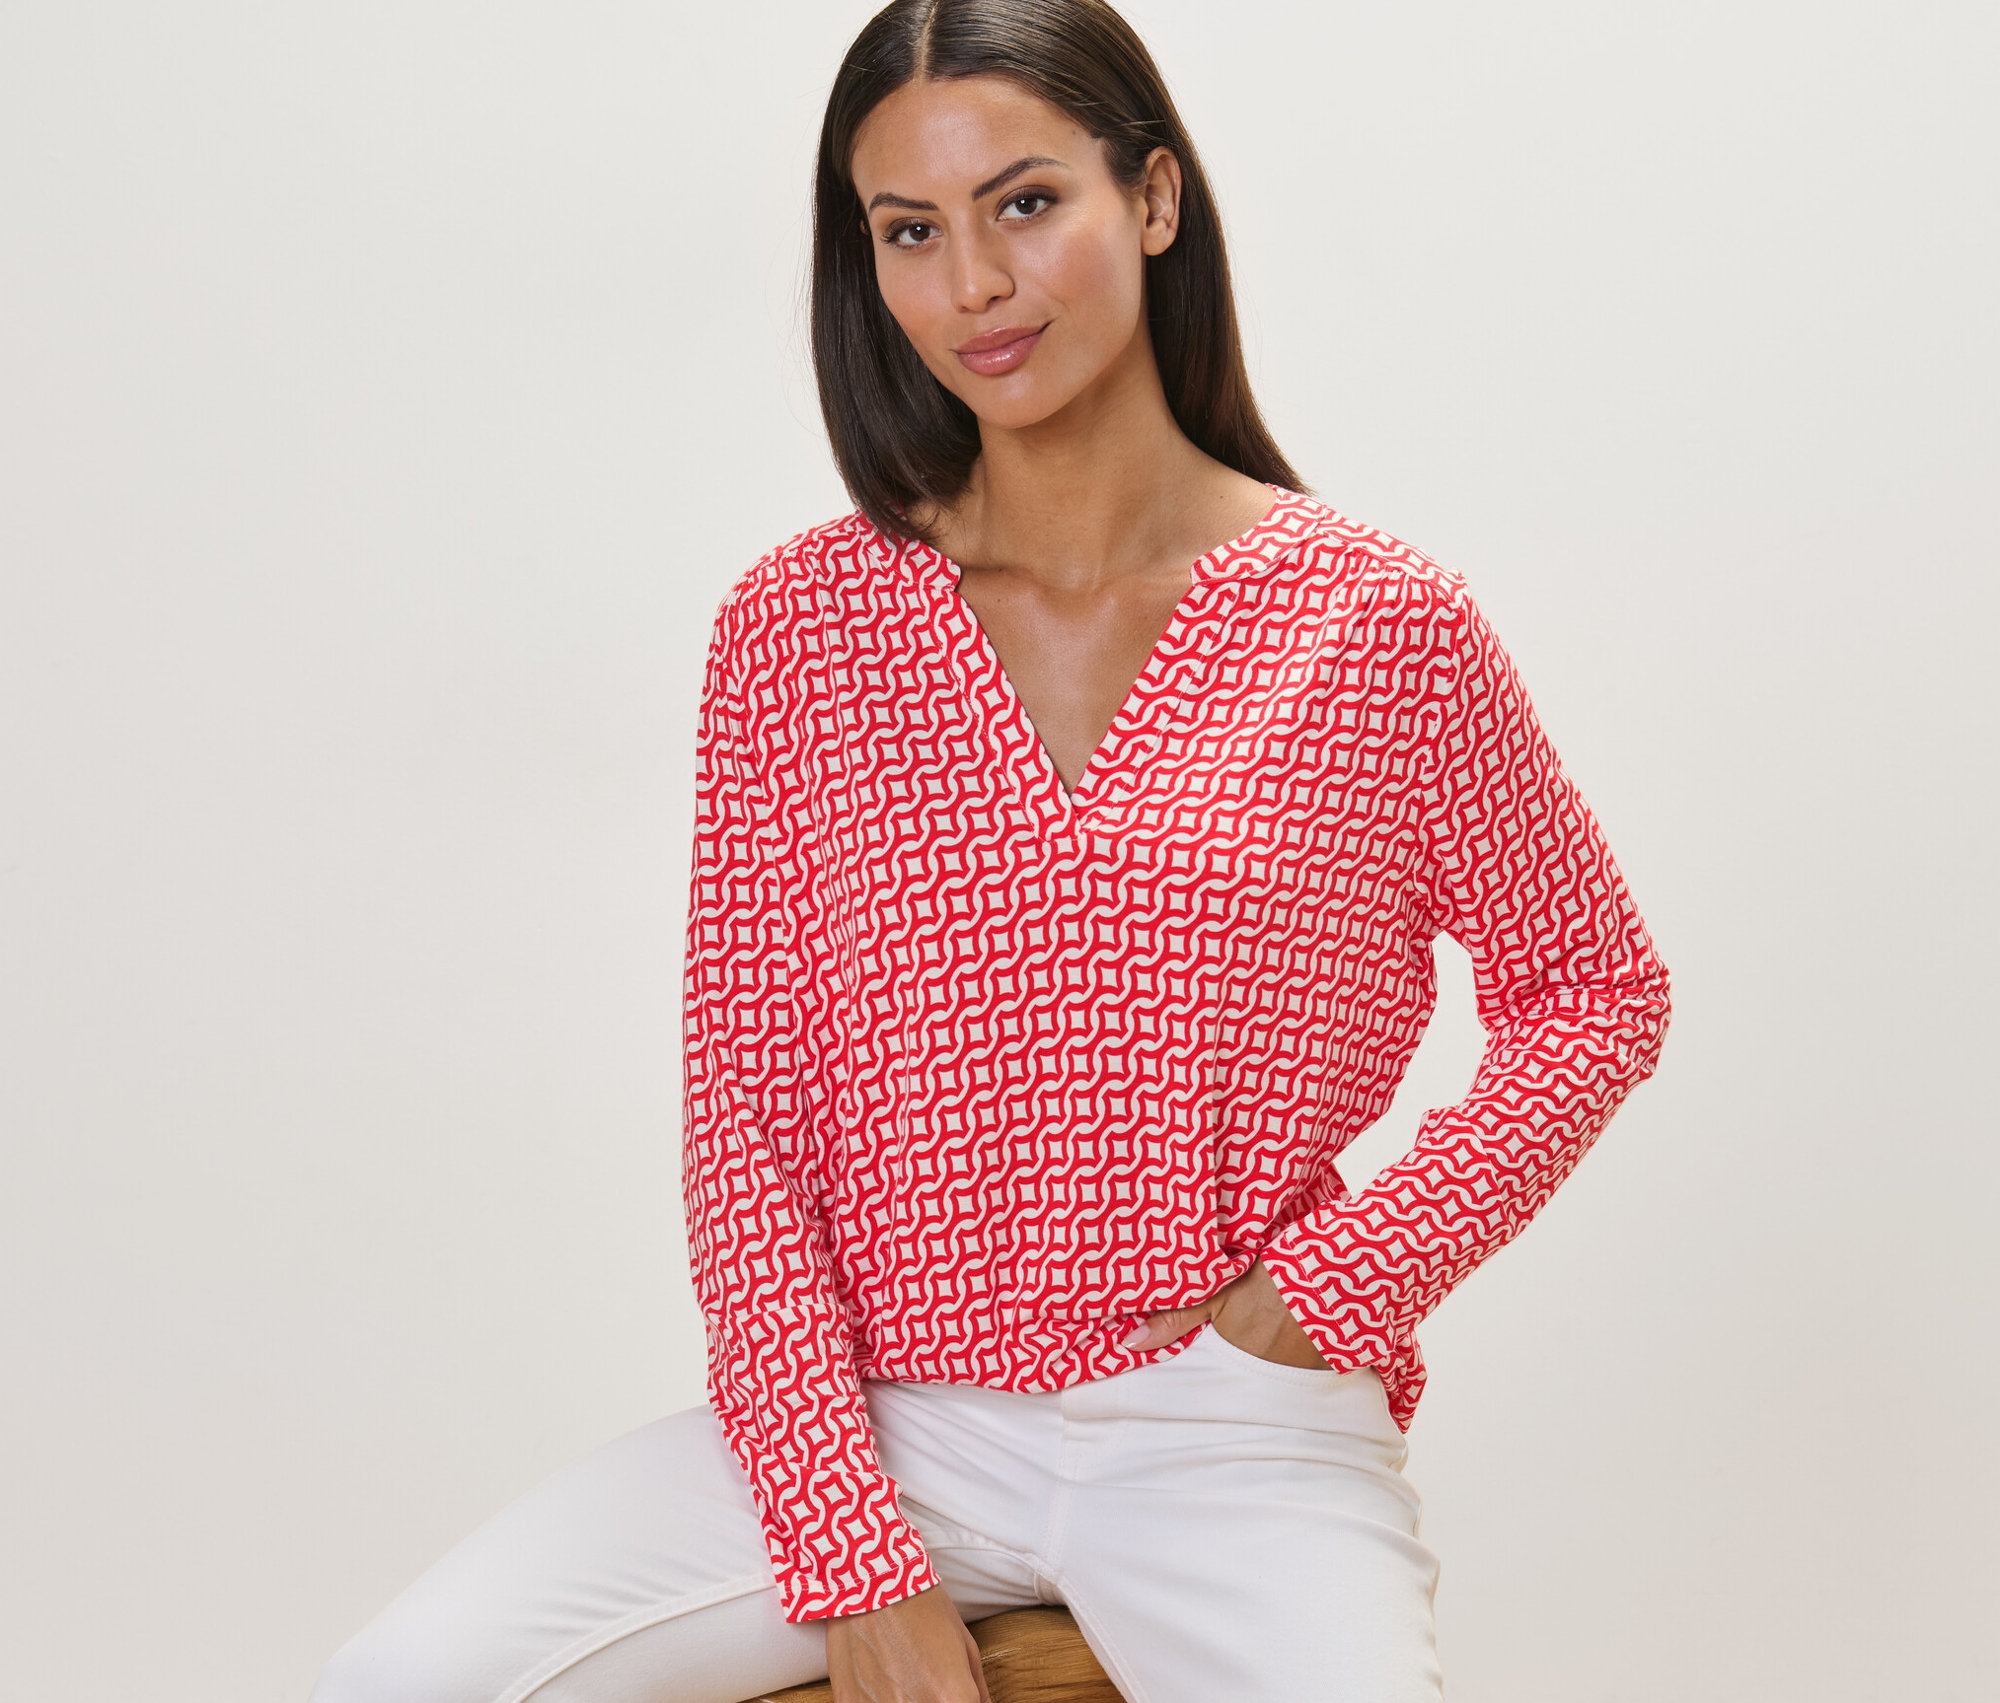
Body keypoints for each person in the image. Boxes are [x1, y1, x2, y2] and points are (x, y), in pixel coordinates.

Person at [310, 2, 1671, 1700]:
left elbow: (1598, 988)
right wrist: (852, 1547)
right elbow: (747, 1117)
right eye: (910, 231)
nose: (974, 286)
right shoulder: (803, 629)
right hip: (884, 1418)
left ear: (1153, 199)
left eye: (1025, 202)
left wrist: (1334, 1287)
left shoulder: (1376, 628)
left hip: (1227, 1425)